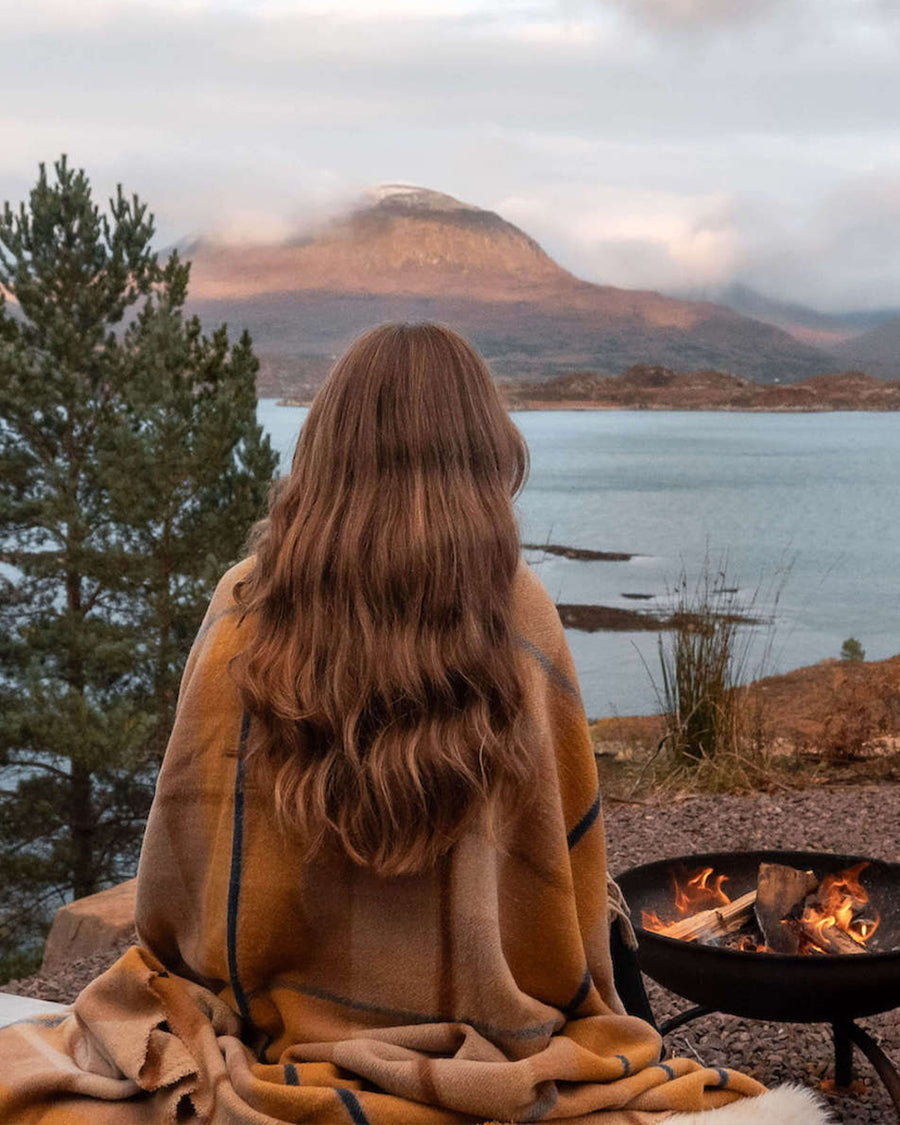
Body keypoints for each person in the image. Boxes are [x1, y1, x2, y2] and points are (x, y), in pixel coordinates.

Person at [0, 323, 825, 1124]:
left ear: (325, 448)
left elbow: (181, 885)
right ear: (481, 453)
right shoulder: (521, 616)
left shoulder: (243, 604)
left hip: (260, 1027)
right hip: (487, 1040)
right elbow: (561, 882)